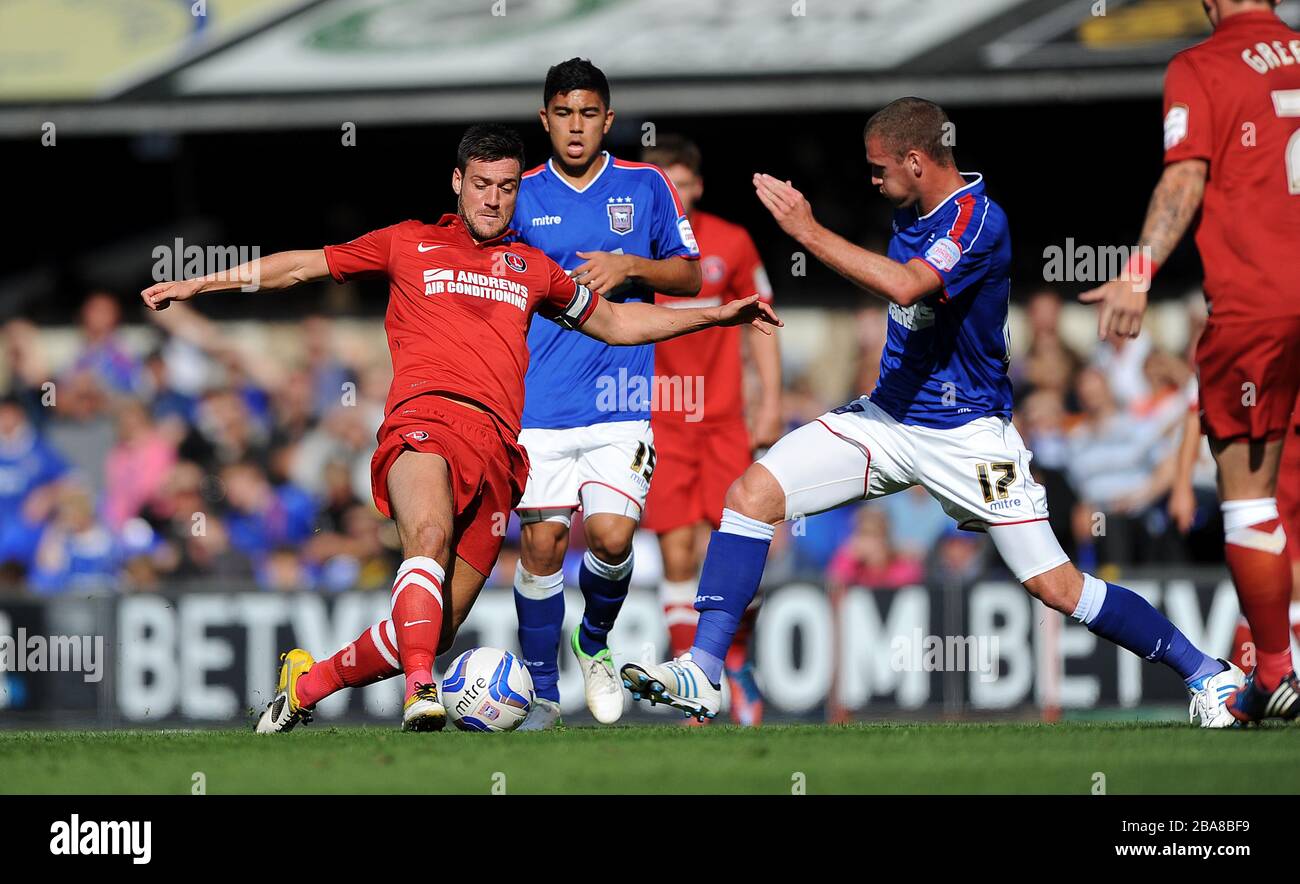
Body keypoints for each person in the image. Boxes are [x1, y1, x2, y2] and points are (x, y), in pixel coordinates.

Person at [620, 97, 1243, 728]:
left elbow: (908, 286)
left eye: (878, 167)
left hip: (969, 436)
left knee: (1057, 587)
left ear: (915, 161)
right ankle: (703, 671)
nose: (871, 179)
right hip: (888, 420)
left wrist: (807, 231)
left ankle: (1207, 673)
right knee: (751, 495)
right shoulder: (913, 213)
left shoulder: (978, 219)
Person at [139, 124, 776, 733]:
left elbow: (619, 324)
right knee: (428, 536)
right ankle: (422, 691)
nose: (494, 199)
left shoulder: (534, 270)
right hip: (425, 422)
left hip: (500, 450)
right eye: (481, 185)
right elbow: (302, 266)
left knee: (433, 627)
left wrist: (718, 315)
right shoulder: (407, 242)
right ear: (456, 183)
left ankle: (307, 685)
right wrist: (201, 282)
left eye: (505, 187)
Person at [1080, 0, 1300, 722]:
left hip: (1261, 305)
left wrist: (1138, 271)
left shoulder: (1201, 66)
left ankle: (1274, 672)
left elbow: (1184, 179)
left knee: (1250, 496)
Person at [510, 59, 703, 729]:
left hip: (621, 401)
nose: (575, 126)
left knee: (613, 539)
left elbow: (689, 275)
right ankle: (539, 691)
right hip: (537, 406)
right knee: (541, 548)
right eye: (563, 113)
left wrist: (631, 266)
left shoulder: (645, 186)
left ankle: (592, 640)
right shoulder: (522, 193)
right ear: (545, 119)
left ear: (608, 121)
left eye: (588, 114)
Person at [637, 134, 783, 726]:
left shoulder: (732, 242)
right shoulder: (633, 248)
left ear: (697, 185)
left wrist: (770, 400)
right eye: (663, 181)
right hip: (660, 420)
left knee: (734, 548)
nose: (675, 190)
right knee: (676, 549)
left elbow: (764, 322)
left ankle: (736, 662)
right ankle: (690, 685)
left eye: (683, 180)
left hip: (723, 421)